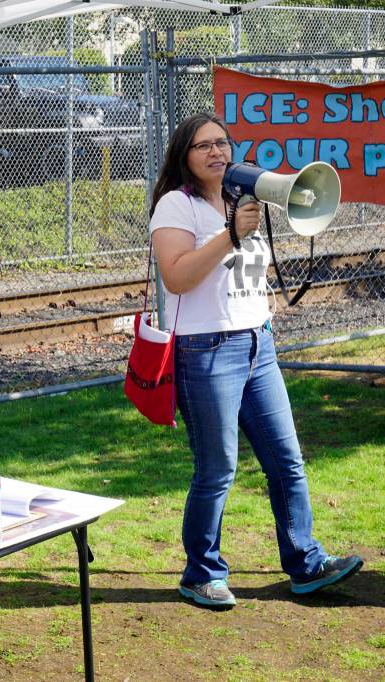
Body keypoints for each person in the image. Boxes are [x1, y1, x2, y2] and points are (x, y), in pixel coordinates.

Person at [149, 112, 362, 609]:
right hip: (205, 351)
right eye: (203, 146)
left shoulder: (239, 199)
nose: (217, 152)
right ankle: (201, 573)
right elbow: (177, 278)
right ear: (184, 155)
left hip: (257, 346)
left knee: (286, 461)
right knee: (217, 468)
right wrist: (229, 235)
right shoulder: (175, 207)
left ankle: (307, 565)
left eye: (222, 143)